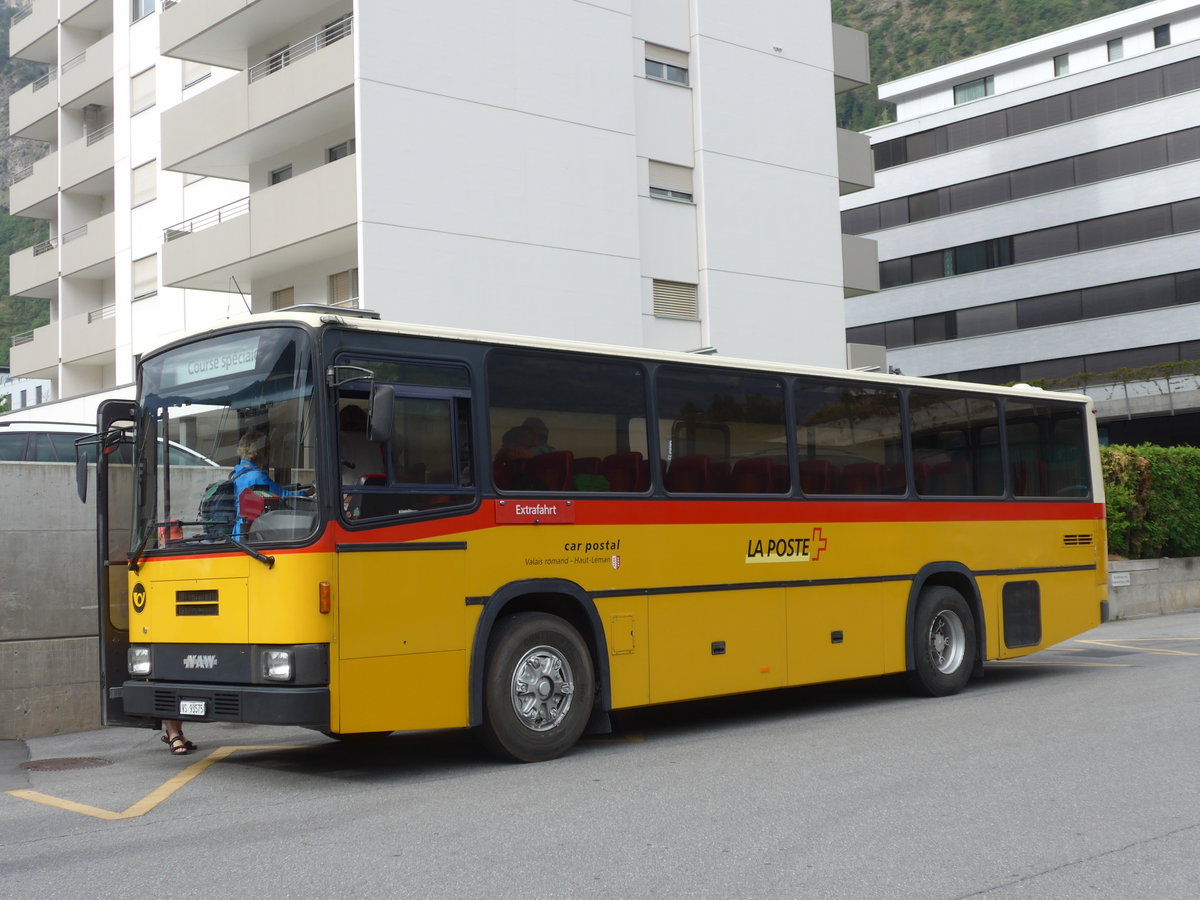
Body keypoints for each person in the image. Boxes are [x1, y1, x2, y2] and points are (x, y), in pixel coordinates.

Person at [231, 429, 312, 537]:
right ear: (262, 453)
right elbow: (286, 498)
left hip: (238, 532)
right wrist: (309, 493)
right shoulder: (257, 477)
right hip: (250, 534)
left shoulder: (236, 473)